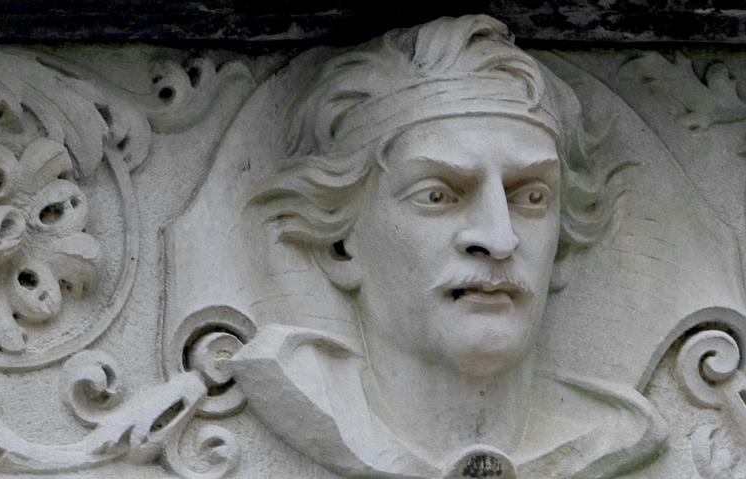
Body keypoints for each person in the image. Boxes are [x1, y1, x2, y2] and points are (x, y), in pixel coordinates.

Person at [235, 15, 660, 478]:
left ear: (561, 248)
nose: (499, 239)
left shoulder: (615, 433)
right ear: (341, 245)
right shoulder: (294, 393)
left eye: (532, 198)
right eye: (437, 196)